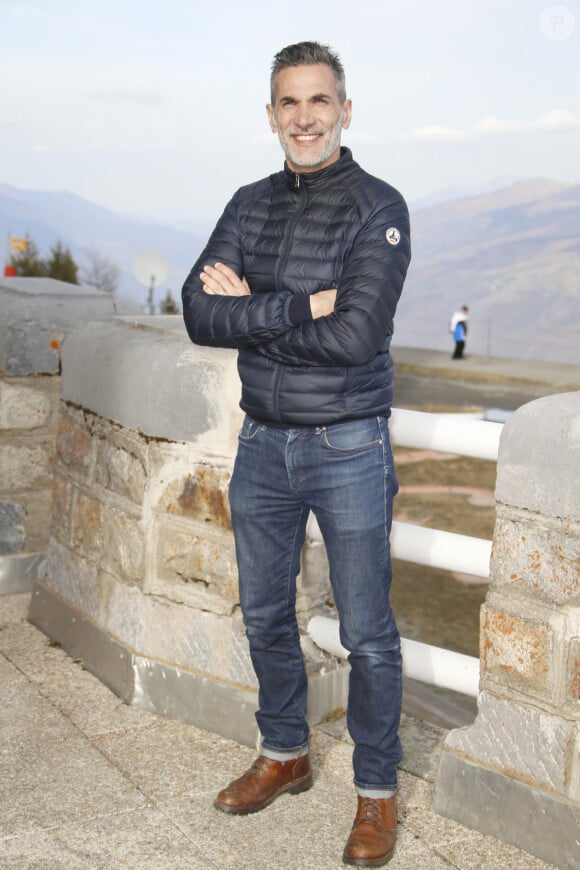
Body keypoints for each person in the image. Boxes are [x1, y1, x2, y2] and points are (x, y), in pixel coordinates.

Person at [182, 41, 411, 868]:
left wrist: (263, 309)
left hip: (348, 443)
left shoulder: (379, 205)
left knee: (368, 633)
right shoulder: (247, 204)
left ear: (345, 111)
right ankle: (285, 752)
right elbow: (199, 315)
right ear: (271, 114)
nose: (305, 118)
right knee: (267, 614)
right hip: (260, 445)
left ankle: (377, 798)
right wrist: (304, 301)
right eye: (289, 103)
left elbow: (356, 335)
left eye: (320, 102)